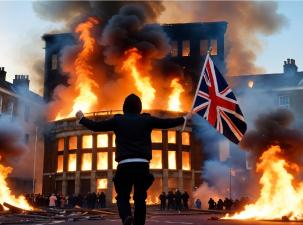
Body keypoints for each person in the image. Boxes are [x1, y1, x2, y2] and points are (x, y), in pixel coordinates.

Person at [76, 93, 191, 225]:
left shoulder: (118, 120)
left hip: (124, 165)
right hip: (142, 165)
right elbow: (166, 123)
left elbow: (97, 127)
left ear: (124, 107)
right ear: (139, 108)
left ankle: (126, 217)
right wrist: (183, 118)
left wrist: (82, 119)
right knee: (140, 198)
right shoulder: (147, 120)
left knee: (123, 197)